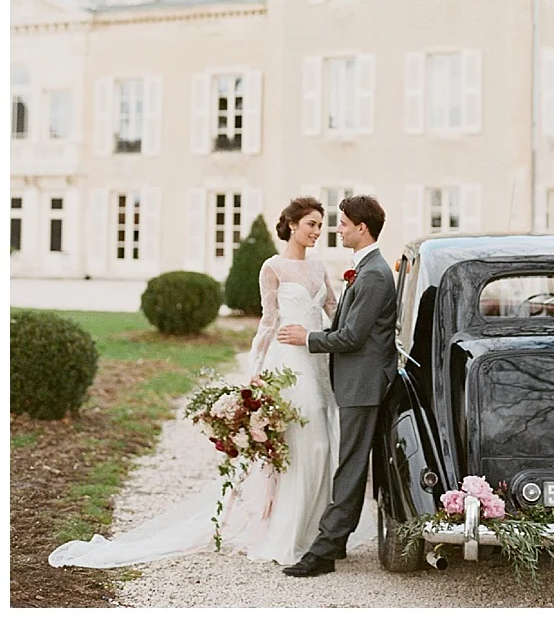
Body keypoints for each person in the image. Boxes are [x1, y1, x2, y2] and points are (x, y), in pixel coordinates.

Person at [49, 197, 345, 568]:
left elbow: (334, 310)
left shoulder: (319, 266)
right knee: (295, 445)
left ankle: (315, 530)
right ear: (292, 225)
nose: (318, 232)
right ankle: (285, 533)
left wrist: (344, 340)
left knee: (320, 443)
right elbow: (268, 321)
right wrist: (256, 370)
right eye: (311, 225)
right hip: (287, 363)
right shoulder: (272, 267)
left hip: (316, 360)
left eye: (321, 225)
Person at [277, 194, 398, 577]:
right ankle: (336, 541)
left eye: (343, 223)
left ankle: (325, 551)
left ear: (362, 228)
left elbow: (351, 337)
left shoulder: (376, 273)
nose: (338, 229)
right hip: (355, 381)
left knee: (349, 466)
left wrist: (307, 339)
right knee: (350, 463)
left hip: (363, 384)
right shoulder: (365, 269)